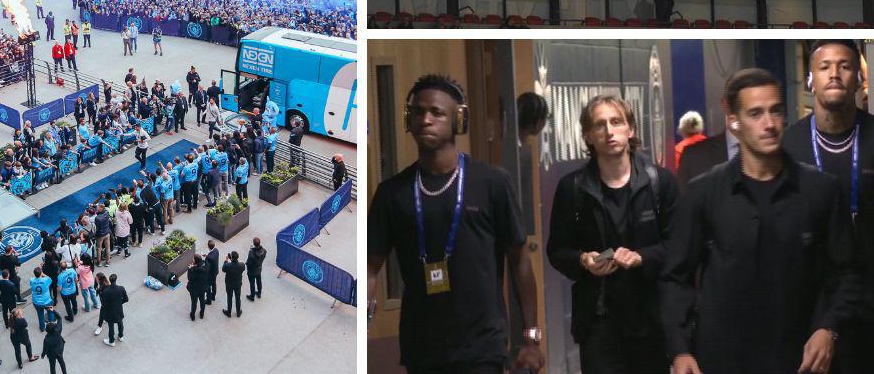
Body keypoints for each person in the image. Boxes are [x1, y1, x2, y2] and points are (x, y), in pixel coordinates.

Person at [660, 68, 861, 374]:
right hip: (723, 358)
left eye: (775, 111)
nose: (769, 124)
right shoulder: (704, 193)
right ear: (734, 122)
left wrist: (829, 329)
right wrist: (680, 350)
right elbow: (676, 277)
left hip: (801, 360)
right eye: (755, 113)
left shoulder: (821, 189)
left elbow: (848, 272)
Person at [368, 74, 546, 374]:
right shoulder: (392, 193)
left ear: (458, 120)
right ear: (407, 119)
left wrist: (531, 338)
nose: (426, 119)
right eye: (418, 111)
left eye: (437, 112)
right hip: (421, 347)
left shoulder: (492, 182)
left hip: (483, 346)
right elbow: (372, 265)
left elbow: (520, 262)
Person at [547, 95, 678, 374]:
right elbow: (557, 250)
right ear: (588, 137)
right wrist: (584, 260)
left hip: (650, 320)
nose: (609, 131)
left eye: (616, 122)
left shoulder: (659, 181)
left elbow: (678, 246)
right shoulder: (572, 188)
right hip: (598, 322)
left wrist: (642, 257)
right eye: (599, 125)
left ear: (630, 130)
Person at [783, 40, 874, 374]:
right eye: (824, 67)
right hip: (808, 314)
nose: (834, 74)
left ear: (860, 80)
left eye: (845, 66)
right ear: (810, 79)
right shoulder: (787, 147)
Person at [99, 274, 128, 346]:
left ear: (110, 280)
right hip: (119, 310)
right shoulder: (121, 288)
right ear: (116, 279)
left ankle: (111, 341)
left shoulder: (106, 291)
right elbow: (126, 299)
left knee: (111, 326)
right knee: (120, 323)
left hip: (110, 312)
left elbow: (103, 303)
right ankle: (121, 336)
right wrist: (119, 303)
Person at [29, 266, 54, 332]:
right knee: (50, 313)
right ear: (41, 273)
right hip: (47, 301)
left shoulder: (32, 280)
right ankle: (52, 326)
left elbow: (31, 284)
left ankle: (42, 328)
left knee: (40, 315)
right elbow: (50, 279)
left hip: (37, 302)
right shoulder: (46, 280)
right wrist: (43, 274)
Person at [222, 250, 245, 318]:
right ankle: (238, 312)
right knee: (238, 298)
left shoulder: (228, 265)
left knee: (229, 298)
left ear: (231, 258)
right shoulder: (242, 265)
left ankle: (229, 312)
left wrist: (226, 260)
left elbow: (223, 269)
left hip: (229, 284)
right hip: (238, 284)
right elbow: (242, 269)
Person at [187, 254, 210, 321]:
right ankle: (202, 314)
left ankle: (193, 315)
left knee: (194, 302)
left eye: (193, 259)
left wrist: (190, 269)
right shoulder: (206, 265)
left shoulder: (195, 271)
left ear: (196, 261)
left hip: (194, 289)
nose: (192, 259)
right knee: (202, 300)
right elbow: (206, 261)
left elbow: (189, 278)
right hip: (203, 288)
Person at [246, 237, 267, 301]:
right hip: (259, 269)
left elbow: (248, 262)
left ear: (254, 244)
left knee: (252, 283)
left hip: (252, 271)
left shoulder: (251, 253)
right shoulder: (264, 251)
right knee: (259, 281)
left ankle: (252, 296)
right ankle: (259, 293)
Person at [205, 240, 220, 305]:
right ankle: (213, 296)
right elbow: (211, 256)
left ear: (208, 246)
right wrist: (207, 255)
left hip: (210, 273)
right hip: (215, 271)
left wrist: (206, 257)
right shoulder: (216, 250)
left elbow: (207, 264)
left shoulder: (208, 258)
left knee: (208, 286)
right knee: (214, 283)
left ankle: (208, 300)